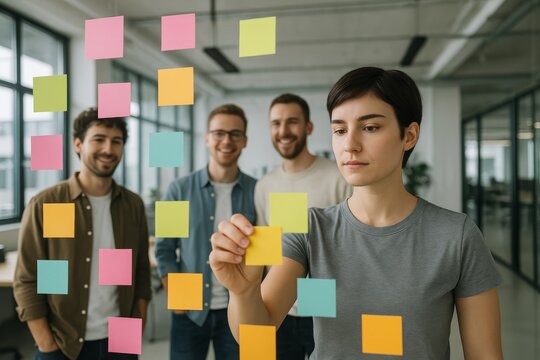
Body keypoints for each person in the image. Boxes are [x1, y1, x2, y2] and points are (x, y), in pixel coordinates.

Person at [209, 67, 503, 359]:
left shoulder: (456, 235)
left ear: (409, 136)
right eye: (339, 130)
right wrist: (244, 291)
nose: (349, 145)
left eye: (370, 127)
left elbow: (485, 354)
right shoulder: (309, 228)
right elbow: (257, 331)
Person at [14, 108, 152, 360]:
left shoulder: (132, 205)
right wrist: (46, 343)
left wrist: (137, 326)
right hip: (63, 342)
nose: (108, 149)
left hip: (121, 340)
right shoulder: (50, 203)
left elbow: (141, 270)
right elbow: (28, 279)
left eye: (116, 141)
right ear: (78, 144)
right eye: (98, 139)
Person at [155, 104, 256, 360]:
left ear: (244, 141)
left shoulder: (258, 190)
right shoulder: (179, 189)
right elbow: (165, 248)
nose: (226, 140)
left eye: (235, 134)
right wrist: (178, 300)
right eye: (219, 133)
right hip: (190, 311)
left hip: (240, 309)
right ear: (207, 138)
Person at [255, 93, 350, 359]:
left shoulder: (338, 176)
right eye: (276, 123)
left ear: (308, 127)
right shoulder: (264, 186)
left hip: (329, 310)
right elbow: (265, 254)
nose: (283, 131)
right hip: (280, 311)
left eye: (292, 122)